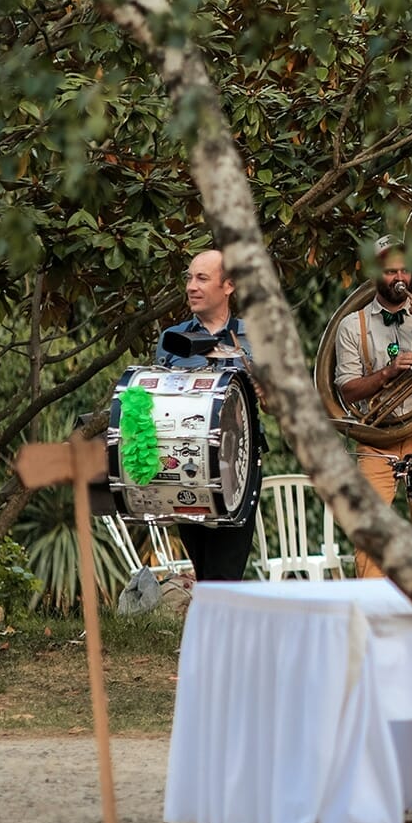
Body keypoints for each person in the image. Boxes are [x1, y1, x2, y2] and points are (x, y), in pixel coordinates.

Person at [331, 235, 412, 578]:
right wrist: (388, 372)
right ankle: (372, 609)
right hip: (376, 439)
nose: (400, 278)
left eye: (404, 270)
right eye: (391, 272)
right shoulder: (351, 325)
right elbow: (347, 389)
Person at [153, 248, 261, 582]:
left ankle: (219, 631)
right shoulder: (172, 339)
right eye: (189, 277)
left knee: (225, 571)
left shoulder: (253, 337)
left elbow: (278, 406)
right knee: (204, 569)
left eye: (202, 278)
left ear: (228, 285)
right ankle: (216, 630)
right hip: (188, 465)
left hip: (239, 464)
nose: (191, 286)